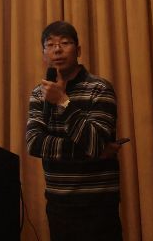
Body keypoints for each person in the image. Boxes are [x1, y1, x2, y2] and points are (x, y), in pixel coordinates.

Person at [26, 21, 123, 241]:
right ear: (43, 54)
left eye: (64, 43)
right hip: (59, 204)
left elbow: (95, 140)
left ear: (78, 50)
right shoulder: (39, 93)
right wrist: (94, 151)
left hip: (99, 204)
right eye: (50, 44)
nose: (57, 50)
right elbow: (34, 143)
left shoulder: (100, 88)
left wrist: (62, 101)